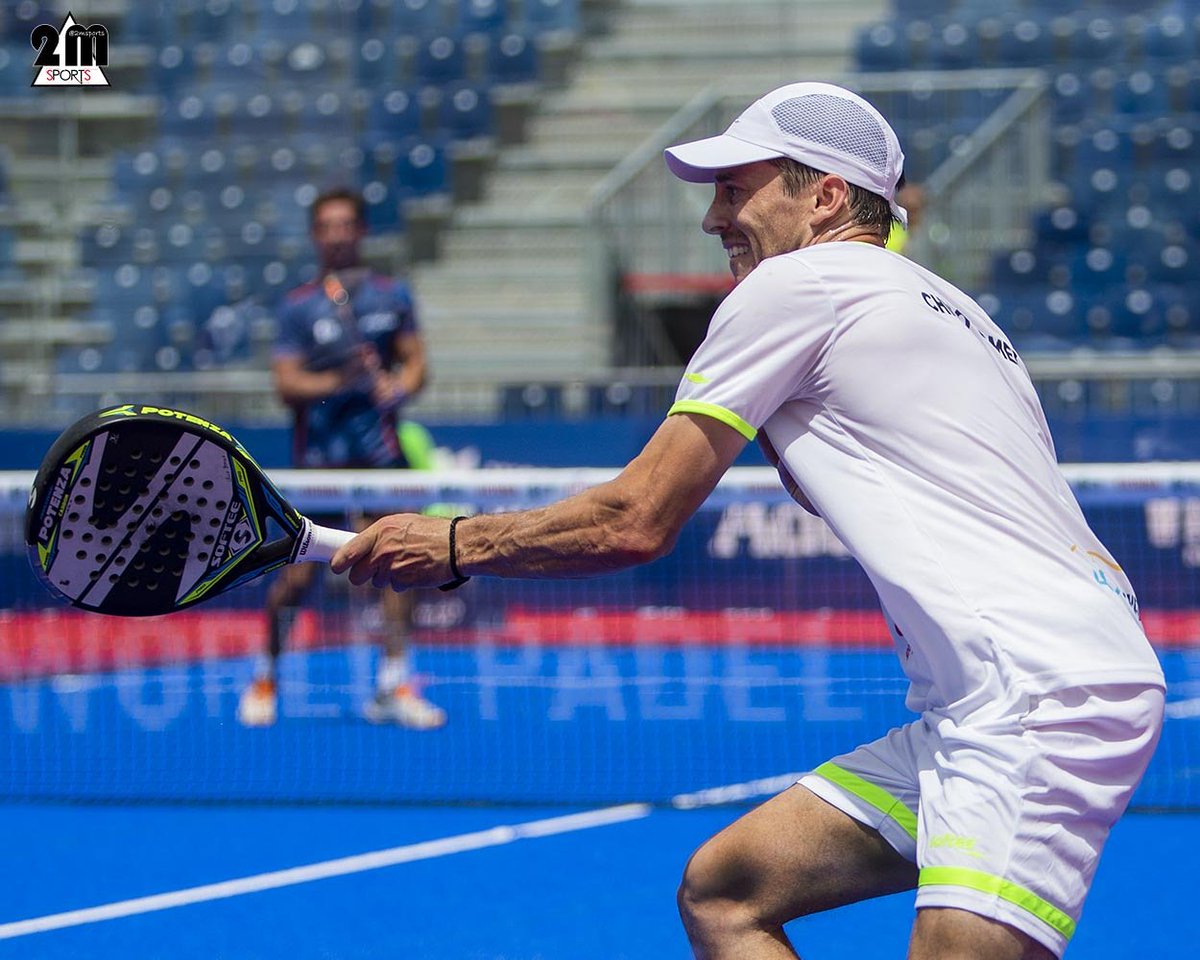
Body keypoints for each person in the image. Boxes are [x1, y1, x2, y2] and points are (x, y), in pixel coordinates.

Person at [329, 83, 1164, 958]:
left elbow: (634, 519)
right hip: (1005, 690)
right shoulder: (954, 311)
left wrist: (456, 541)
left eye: (736, 190)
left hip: (1030, 692)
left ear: (826, 197)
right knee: (727, 890)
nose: (713, 218)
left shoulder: (798, 284)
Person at [237, 187, 446, 730]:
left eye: (345, 224)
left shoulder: (390, 294)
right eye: (326, 226)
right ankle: (265, 676)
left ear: (360, 231)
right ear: (315, 235)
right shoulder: (297, 306)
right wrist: (342, 380)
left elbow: (417, 365)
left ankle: (393, 683)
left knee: (399, 568)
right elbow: (286, 383)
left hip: (381, 456)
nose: (336, 234)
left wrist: (397, 389)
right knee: (296, 579)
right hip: (321, 462)